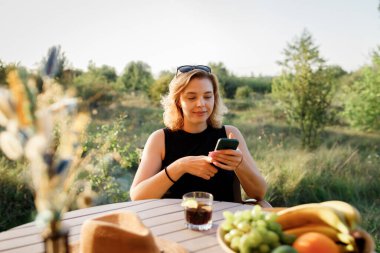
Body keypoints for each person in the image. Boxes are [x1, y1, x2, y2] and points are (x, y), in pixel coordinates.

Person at [130, 65, 267, 203]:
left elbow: (259, 194)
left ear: (215, 98)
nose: (201, 104)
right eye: (191, 97)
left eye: (207, 96)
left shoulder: (230, 133)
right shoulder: (159, 139)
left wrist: (240, 164)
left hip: (225, 221)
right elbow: (137, 196)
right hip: (174, 221)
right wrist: (180, 166)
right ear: (178, 101)